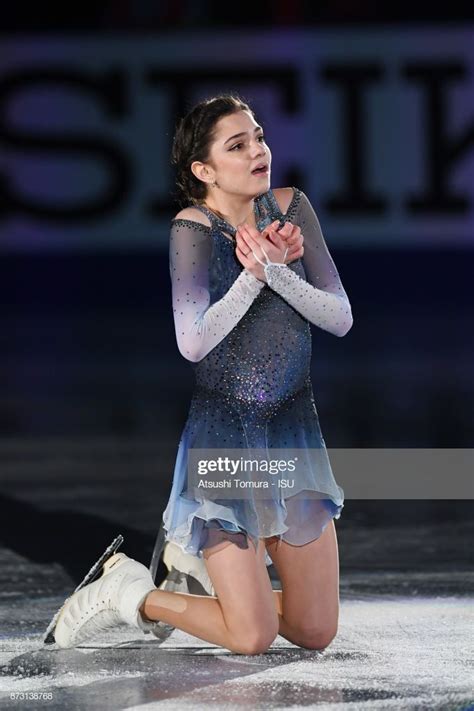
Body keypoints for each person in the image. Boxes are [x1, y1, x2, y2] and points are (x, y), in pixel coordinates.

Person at [51, 93, 353, 656]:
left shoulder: (290, 207)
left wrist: (277, 273)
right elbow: (192, 342)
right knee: (252, 636)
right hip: (223, 444)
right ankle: (129, 593)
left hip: (294, 439)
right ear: (204, 170)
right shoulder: (192, 227)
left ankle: (209, 583)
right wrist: (252, 277)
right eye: (237, 145)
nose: (259, 150)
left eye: (259, 136)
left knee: (315, 631)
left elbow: (340, 318)